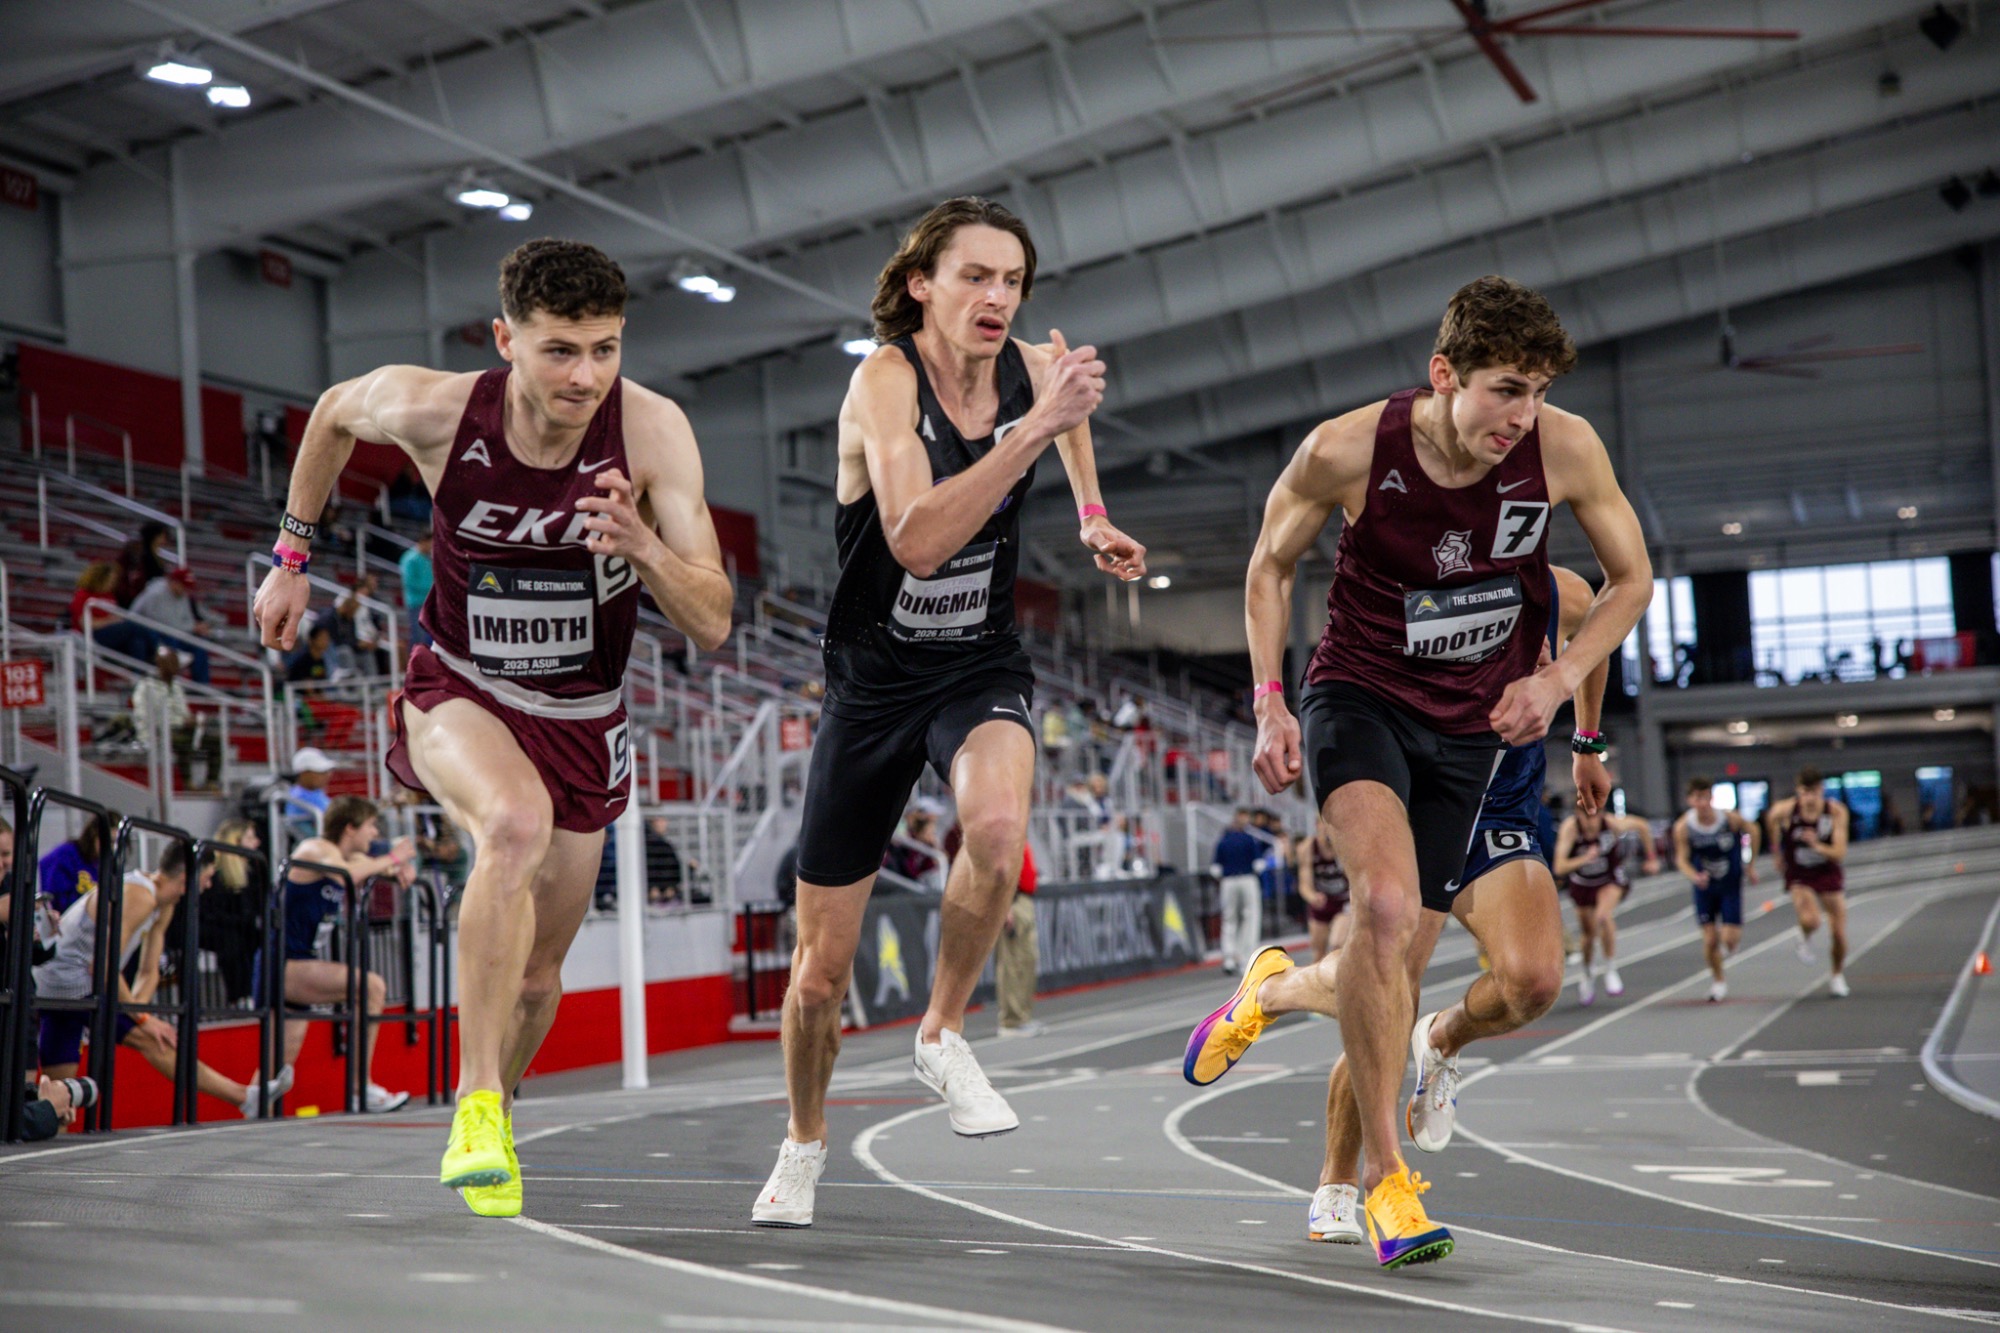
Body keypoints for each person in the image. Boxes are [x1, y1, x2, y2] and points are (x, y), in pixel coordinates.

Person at [252, 236, 731, 1218]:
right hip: (460, 682)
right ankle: (471, 1102)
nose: (585, 374)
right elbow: (335, 413)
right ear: (505, 339)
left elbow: (714, 618)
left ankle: (499, 1101)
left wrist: (640, 544)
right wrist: (291, 555)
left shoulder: (652, 433)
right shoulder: (438, 410)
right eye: (560, 350)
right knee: (510, 824)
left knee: (538, 976)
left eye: (605, 348)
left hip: (585, 715)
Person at [1186, 276, 1650, 1268]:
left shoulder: (1561, 449)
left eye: (1535, 391)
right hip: (1356, 701)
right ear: (1443, 377)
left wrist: (1568, 693)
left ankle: (1265, 993)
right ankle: (1383, 1181)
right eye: (1502, 390)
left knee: (1396, 964)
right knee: (1385, 911)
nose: (1519, 416)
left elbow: (1629, 581)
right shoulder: (1346, 449)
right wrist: (1266, 699)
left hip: (1473, 737)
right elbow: (1270, 565)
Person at [755, 196, 1145, 1230]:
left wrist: (1094, 513)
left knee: (999, 827)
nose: (997, 297)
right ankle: (802, 1140)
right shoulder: (882, 382)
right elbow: (918, 539)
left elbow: (1066, 422)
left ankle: (940, 1030)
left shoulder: (1024, 365)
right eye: (974, 276)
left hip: (977, 661)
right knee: (817, 975)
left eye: (1011, 280)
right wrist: (1035, 431)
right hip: (871, 684)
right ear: (921, 281)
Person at [1191, 566, 1611, 1251]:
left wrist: (1586, 738)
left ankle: (1443, 1039)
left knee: (1534, 980)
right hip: (1422, 797)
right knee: (1389, 989)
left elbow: (1598, 633)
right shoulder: (1419, 573)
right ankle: (1336, 1173)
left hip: (1502, 805)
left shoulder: (1563, 589)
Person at [35, 841, 290, 1117]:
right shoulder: (138, 896)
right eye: (206, 879)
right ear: (186, 879)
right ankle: (243, 1097)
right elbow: (103, 965)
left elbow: (148, 970)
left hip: (73, 986)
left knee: (58, 1098)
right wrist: (142, 1021)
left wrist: (138, 1011)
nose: (207, 886)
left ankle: (245, 1097)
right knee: (156, 1039)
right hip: (65, 984)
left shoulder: (163, 903)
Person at [270, 795, 414, 1112]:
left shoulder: (343, 858)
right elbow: (345, 875)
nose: (375, 834)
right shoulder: (315, 848)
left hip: (297, 962)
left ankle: (250, 1108)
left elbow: (360, 867)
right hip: (283, 963)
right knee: (372, 986)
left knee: (272, 1076)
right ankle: (361, 1087)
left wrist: (396, 869)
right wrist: (392, 857)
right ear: (350, 828)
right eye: (371, 827)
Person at [1552, 803, 1658, 1005]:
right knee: (1588, 935)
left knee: (1603, 917)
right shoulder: (1571, 829)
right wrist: (1584, 858)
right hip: (1583, 883)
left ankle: (1610, 968)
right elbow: (1559, 866)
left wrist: (1651, 858)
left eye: (1595, 816)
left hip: (1609, 879)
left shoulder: (1611, 824)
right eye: (1586, 817)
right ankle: (1588, 973)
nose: (1591, 823)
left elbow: (1643, 826)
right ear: (1578, 815)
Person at [1671, 776, 1761, 1003]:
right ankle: (1718, 981)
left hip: (1730, 884)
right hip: (1705, 886)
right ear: (1690, 800)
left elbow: (1754, 831)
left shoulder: (1728, 819)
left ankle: (1729, 946)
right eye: (1696, 798)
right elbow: (1681, 859)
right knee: (1710, 940)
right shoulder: (1684, 827)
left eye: (1705, 797)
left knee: (1729, 940)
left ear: (1711, 797)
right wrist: (1694, 875)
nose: (1701, 803)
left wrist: (1750, 865)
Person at [1768, 767, 1851, 997]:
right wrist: (1777, 851)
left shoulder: (1835, 812)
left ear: (1821, 791)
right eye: (1805, 793)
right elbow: (1771, 819)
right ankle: (1803, 934)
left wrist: (1817, 845)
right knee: (1811, 920)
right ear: (1798, 792)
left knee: (1839, 934)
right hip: (1799, 873)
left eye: (1814, 793)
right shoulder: (1786, 810)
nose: (1810, 799)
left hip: (1827, 869)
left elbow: (1840, 853)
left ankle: (1836, 975)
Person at [131, 648, 223, 790]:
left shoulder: (177, 686)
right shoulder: (146, 685)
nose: (175, 666)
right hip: (162, 732)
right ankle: (188, 782)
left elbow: (183, 712)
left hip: (183, 729)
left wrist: (193, 720)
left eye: (175, 662)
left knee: (215, 741)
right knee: (182, 741)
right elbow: (141, 714)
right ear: (160, 664)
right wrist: (146, 737)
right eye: (170, 662)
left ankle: (211, 781)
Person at [128, 568, 213, 685]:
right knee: (169, 640)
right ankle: (171, 681)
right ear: (173, 582)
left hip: (175, 633)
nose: (185, 590)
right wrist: (193, 627)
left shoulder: (183, 596)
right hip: (149, 632)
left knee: (199, 645)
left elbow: (187, 619)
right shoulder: (155, 594)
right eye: (183, 586)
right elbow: (161, 622)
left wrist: (197, 626)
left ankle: (202, 686)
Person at [993, 842, 1042, 1038]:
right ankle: (1011, 1020)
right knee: (1012, 963)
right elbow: (1000, 869)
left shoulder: (1018, 831)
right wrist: (1005, 904)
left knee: (1027, 960)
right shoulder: (1005, 832)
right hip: (1013, 901)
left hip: (1024, 899)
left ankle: (1022, 1016)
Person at [1210, 808, 1266, 975]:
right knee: (1251, 917)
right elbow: (1259, 864)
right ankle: (1246, 957)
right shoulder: (1250, 840)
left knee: (1229, 918)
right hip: (1247, 878)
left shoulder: (1222, 841)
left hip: (1228, 881)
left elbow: (1215, 869)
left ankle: (1228, 957)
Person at [70, 561, 156, 662]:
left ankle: (139, 673)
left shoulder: (110, 596)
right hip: (92, 634)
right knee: (133, 626)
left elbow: (116, 616)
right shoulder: (83, 595)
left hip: (112, 631)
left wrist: (116, 620)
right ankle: (159, 650)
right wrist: (110, 621)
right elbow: (86, 624)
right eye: (110, 580)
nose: (112, 583)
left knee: (137, 641)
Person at [1295, 826, 1350, 966]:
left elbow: (1357, 880)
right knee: (1318, 955)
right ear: (1318, 826)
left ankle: (1341, 982)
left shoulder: (1346, 845)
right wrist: (1312, 897)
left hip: (1343, 901)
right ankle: (1320, 986)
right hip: (1321, 902)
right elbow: (1304, 883)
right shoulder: (1307, 848)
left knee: (1337, 943)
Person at [115, 520, 172, 606]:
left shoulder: (154, 556)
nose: (164, 540)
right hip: (142, 597)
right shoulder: (141, 557)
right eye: (162, 536)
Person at [284, 747, 339, 833]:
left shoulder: (315, 792)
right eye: (320, 771)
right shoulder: (298, 797)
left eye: (327, 771)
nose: (327, 775)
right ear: (304, 773)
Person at [400, 532, 435, 649]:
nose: (432, 547)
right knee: (418, 636)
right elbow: (409, 582)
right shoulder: (410, 559)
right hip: (416, 603)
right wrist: (432, 587)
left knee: (428, 636)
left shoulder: (427, 559)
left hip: (429, 602)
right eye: (430, 543)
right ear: (423, 542)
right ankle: (414, 665)